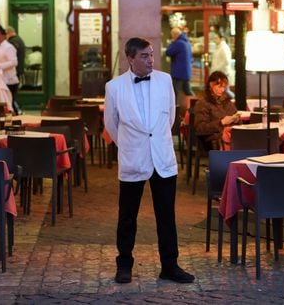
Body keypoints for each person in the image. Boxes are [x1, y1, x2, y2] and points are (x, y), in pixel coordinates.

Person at [103, 37, 194, 285]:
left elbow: (170, 118)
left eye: (152, 54)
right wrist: (132, 145)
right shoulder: (114, 87)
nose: (151, 60)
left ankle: (170, 266)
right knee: (127, 216)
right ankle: (124, 265)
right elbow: (111, 125)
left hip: (162, 159)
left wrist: (154, 141)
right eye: (144, 56)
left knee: (166, 216)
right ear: (130, 59)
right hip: (133, 158)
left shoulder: (165, 81)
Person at [194, 70, 240, 151]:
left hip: (230, 134)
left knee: (247, 136)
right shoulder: (203, 103)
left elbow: (236, 116)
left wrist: (236, 119)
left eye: (224, 87)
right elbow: (200, 128)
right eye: (219, 87)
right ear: (211, 85)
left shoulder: (227, 101)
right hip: (213, 139)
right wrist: (221, 122)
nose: (222, 90)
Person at [165, 27, 193, 109]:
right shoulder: (187, 42)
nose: (172, 37)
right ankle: (195, 106)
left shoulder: (178, 43)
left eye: (172, 35)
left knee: (175, 93)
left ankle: (175, 111)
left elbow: (168, 52)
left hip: (178, 73)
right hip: (186, 72)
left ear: (175, 35)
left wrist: (171, 43)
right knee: (188, 91)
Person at [5, 26, 26, 114]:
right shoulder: (19, 40)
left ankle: (17, 111)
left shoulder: (13, 43)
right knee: (13, 95)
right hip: (18, 71)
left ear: (8, 33)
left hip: (14, 73)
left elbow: (11, 59)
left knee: (11, 96)